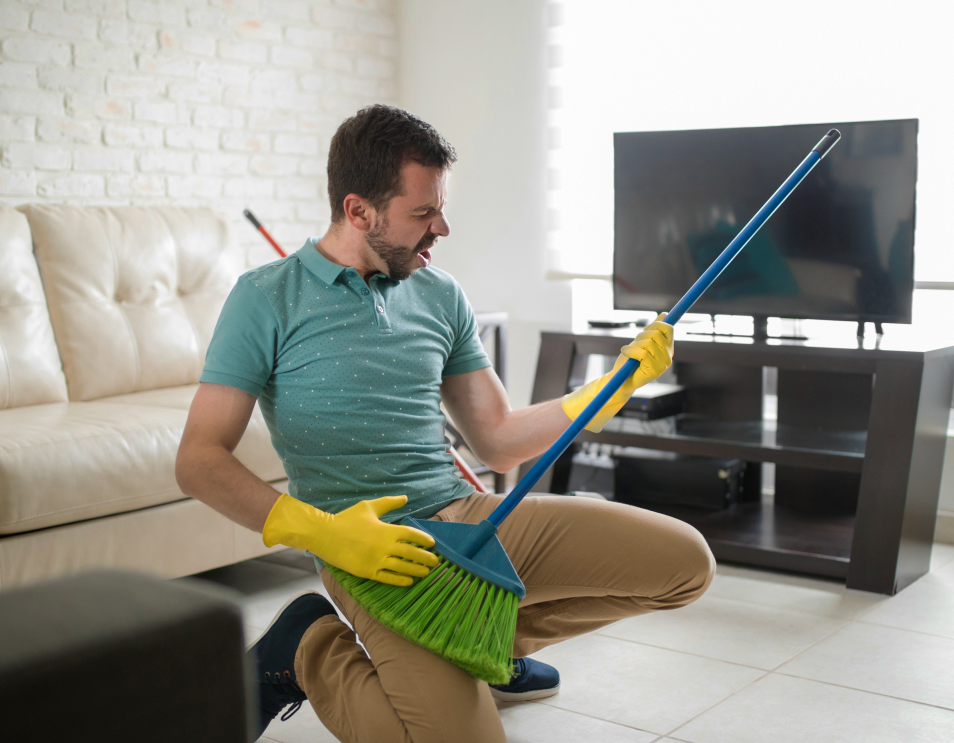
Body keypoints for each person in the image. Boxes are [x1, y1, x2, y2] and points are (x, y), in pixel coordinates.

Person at [175, 104, 715, 743]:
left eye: (442, 207)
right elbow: (199, 460)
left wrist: (606, 391)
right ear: (358, 211)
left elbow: (497, 438)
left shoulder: (439, 293)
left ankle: (484, 643)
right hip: (375, 560)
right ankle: (306, 650)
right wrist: (325, 534)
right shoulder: (266, 297)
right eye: (423, 213)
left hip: (468, 522)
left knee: (685, 563)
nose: (442, 228)